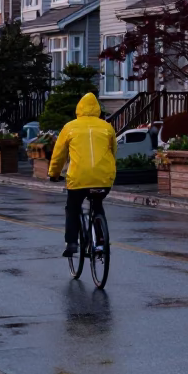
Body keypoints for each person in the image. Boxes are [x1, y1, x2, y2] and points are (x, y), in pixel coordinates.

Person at [48, 92, 116, 257]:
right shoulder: (107, 127)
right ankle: (100, 243)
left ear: (79, 108)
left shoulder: (70, 127)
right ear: (97, 109)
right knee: (97, 206)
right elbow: (113, 152)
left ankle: (72, 242)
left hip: (78, 179)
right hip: (103, 179)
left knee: (73, 207)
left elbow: (59, 155)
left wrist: (54, 174)